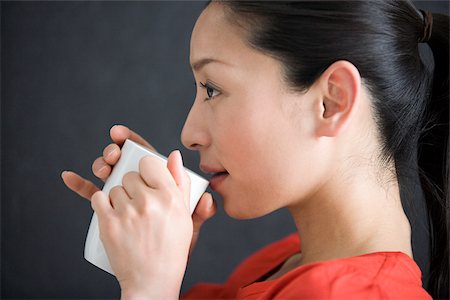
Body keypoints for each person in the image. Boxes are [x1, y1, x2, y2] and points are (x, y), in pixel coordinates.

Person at [62, 1, 449, 299]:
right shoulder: (283, 262)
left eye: (212, 89)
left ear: (332, 101)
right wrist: (148, 261)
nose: (188, 134)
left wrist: (150, 289)